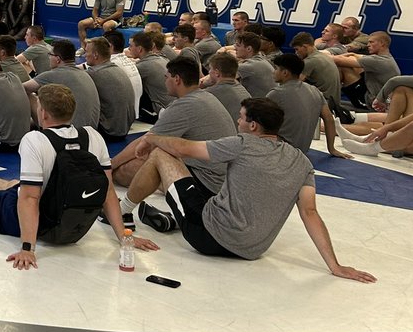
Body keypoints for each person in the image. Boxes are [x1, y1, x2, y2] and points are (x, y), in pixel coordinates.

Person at [0, 85, 157, 269]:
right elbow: (107, 191)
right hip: (74, 224)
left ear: (42, 113)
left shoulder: (36, 140)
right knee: (15, 185)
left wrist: (27, 247)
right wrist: (124, 236)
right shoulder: (92, 136)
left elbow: (30, 199)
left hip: (42, 222)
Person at [132, 98, 376, 282]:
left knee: (161, 155)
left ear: (253, 126)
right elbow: (310, 213)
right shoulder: (302, 161)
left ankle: (121, 213)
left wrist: (152, 137)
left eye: (241, 117)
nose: (237, 121)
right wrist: (335, 265)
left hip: (208, 237)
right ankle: (173, 218)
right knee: (211, 192)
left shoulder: (242, 144)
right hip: (252, 249)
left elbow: (183, 148)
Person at [109, 57, 236, 232]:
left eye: (166, 77)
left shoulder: (184, 106)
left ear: (177, 79)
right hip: (222, 180)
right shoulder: (206, 97)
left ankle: (123, 210)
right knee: (153, 152)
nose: (165, 81)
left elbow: (145, 140)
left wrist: (110, 165)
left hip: (206, 184)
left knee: (126, 170)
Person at [267, 53, 345, 156]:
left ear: (285, 72)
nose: (273, 72)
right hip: (302, 150)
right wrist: (332, 148)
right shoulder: (314, 90)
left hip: (280, 149)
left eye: (276, 69)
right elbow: (329, 119)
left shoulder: (276, 93)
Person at [24, 39, 100, 132]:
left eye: (50, 55)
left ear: (58, 59)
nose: (48, 58)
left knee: (27, 95)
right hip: (91, 131)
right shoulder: (84, 73)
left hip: (71, 132)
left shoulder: (52, 75)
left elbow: (21, 89)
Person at [82, 37, 136, 140]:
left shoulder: (94, 74)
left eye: (86, 52)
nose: (85, 55)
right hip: (124, 129)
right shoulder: (118, 70)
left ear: (95, 55)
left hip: (109, 131)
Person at [330, 31, 399, 109]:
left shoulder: (378, 61)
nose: (368, 45)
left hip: (371, 103)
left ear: (382, 43)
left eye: (371, 42)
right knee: (356, 66)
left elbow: (337, 61)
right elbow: (355, 56)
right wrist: (351, 55)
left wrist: (319, 54)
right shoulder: (386, 58)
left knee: (344, 67)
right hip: (377, 96)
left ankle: (328, 98)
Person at [129, 31, 172, 122]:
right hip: (173, 104)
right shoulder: (162, 59)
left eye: (131, 46)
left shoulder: (143, 67)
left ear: (140, 49)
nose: (129, 49)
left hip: (162, 111)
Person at [291, 31, 341, 107]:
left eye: (297, 49)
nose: (296, 53)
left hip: (324, 103)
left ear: (304, 47)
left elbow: (294, 85)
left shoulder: (309, 61)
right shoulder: (323, 56)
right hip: (334, 101)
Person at [105, 30, 144, 117]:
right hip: (134, 111)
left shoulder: (110, 63)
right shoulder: (125, 59)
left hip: (122, 116)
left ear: (110, 46)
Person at [201, 52, 250, 118]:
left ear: (217, 73)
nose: (209, 72)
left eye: (210, 69)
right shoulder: (240, 88)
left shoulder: (211, 93)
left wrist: (203, 84)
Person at [234, 32, 276, 97]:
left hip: (260, 105)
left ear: (249, 49)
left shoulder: (248, 66)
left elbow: (220, 77)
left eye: (238, 45)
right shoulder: (261, 59)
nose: (235, 47)